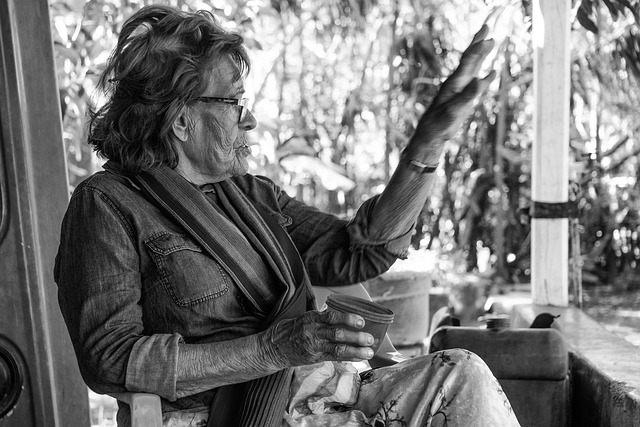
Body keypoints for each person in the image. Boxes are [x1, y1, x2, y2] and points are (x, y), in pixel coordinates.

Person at [54, 5, 520, 427]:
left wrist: (429, 143)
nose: (250, 120)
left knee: (461, 372)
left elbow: (359, 251)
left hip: (320, 394)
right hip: (220, 414)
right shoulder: (107, 205)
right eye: (235, 103)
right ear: (181, 121)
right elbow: (110, 359)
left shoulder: (250, 196)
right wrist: (273, 349)